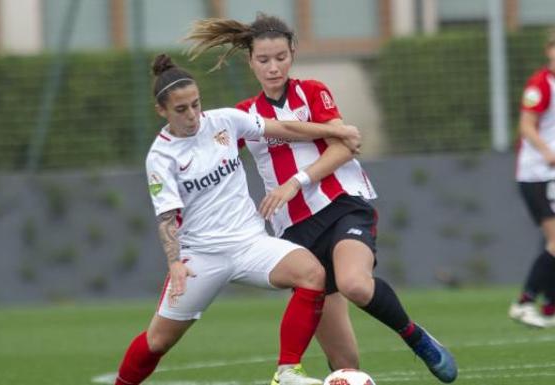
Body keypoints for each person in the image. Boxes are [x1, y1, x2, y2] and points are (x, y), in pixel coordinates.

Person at [185, 14, 458, 383]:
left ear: (292, 53)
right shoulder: (243, 114)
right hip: (295, 231)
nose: (273, 67)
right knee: (346, 366)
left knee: (355, 284)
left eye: (280, 57)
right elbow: (214, 161)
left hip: (343, 205)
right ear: (250, 61)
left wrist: (296, 181)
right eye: (263, 60)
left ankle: (416, 338)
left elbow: (344, 148)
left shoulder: (312, 91)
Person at [113, 53, 363, 385]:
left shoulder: (225, 121)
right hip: (201, 256)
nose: (192, 115)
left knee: (311, 273)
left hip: (250, 243)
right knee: (158, 340)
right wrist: (174, 263)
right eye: (181, 109)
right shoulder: (161, 156)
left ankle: (287, 371)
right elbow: (167, 217)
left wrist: (340, 131)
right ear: (162, 111)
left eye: (195, 104)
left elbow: (285, 128)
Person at [509, 30, 555, 329]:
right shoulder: (540, 84)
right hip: (537, 173)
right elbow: (526, 125)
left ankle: (550, 305)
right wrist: (547, 152)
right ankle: (524, 302)